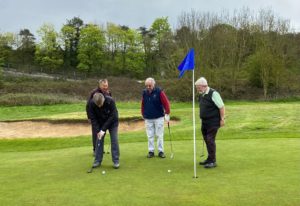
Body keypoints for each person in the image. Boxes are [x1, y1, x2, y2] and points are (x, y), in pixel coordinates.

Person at [195, 77, 225, 168]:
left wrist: (222, 119)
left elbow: (221, 107)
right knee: (206, 139)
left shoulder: (213, 93)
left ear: (204, 86)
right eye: (197, 88)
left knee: (210, 140)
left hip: (213, 121)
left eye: (198, 87)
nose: (197, 89)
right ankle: (209, 158)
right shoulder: (202, 94)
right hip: (205, 122)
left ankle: (213, 161)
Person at [88, 92, 120, 169]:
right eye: (97, 105)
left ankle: (116, 161)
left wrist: (103, 129)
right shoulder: (91, 104)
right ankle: (97, 161)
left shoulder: (110, 101)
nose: (100, 106)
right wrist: (98, 131)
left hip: (112, 122)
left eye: (101, 104)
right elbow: (93, 119)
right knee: (99, 140)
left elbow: (113, 116)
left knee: (114, 139)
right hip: (100, 123)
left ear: (103, 99)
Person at [141, 77, 170, 158]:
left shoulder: (159, 92)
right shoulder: (144, 92)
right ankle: (151, 151)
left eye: (149, 85)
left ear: (153, 84)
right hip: (148, 118)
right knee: (150, 135)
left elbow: (166, 103)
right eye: (146, 85)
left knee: (159, 135)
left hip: (158, 117)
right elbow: (143, 103)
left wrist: (167, 113)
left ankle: (161, 151)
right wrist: (142, 113)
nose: (148, 87)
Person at [86, 79, 112, 155]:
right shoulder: (94, 93)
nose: (105, 87)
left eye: (106, 85)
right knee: (96, 133)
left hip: (105, 117)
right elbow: (88, 106)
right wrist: (89, 117)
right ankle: (96, 150)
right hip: (96, 117)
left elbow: (110, 104)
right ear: (100, 85)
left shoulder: (108, 93)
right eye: (104, 86)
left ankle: (101, 149)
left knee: (102, 133)